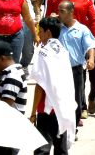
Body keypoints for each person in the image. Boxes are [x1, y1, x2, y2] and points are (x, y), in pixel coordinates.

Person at [30, 17, 75, 155]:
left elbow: (40, 85)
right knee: (61, 149)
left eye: (40, 31)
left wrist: (32, 113)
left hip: (46, 109)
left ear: (48, 32)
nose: (39, 35)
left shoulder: (42, 53)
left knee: (42, 149)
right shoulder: (62, 51)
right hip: (63, 107)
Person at [57, 0, 95, 128]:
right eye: (58, 11)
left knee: (76, 97)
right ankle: (64, 122)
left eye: (62, 12)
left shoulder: (81, 29)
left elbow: (90, 46)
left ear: (71, 12)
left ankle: (74, 121)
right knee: (60, 96)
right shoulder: (56, 28)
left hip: (76, 69)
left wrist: (91, 59)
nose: (59, 14)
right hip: (59, 69)